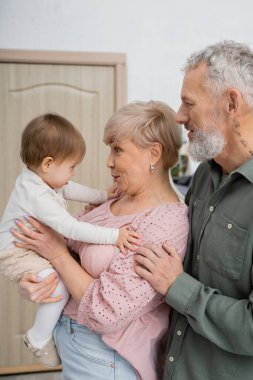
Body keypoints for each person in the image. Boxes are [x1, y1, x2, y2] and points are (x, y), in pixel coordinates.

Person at [12, 101, 189, 380]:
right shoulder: (116, 198)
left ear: (153, 153)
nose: (109, 161)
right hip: (74, 345)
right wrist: (34, 281)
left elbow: (108, 311)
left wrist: (56, 255)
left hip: (106, 359)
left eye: (117, 149)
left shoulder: (166, 223)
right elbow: (65, 248)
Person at [134, 40, 253, 380]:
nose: (178, 115)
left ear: (232, 103)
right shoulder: (204, 174)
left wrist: (178, 287)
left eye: (189, 103)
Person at [0, 113, 140, 367]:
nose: (74, 173)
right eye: (72, 166)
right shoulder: (36, 195)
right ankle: (38, 338)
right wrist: (114, 236)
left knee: (59, 278)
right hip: (16, 253)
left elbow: (70, 188)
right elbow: (72, 228)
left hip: (24, 248)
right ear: (48, 164)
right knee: (58, 285)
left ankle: (43, 334)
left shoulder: (41, 179)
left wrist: (101, 196)